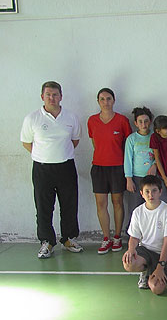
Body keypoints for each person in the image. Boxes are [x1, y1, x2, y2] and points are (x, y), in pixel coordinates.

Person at [20, 81, 82, 258]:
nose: (52, 98)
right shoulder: (32, 118)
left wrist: (59, 154)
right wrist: (44, 156)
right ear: (42, 97)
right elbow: (26, 142)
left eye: (55, 94)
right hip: (42, 169)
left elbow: (75, 140)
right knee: (43, 206)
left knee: (69, 204)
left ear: (61, 97)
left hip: (66, 167)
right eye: (48, 94)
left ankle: (68, 239)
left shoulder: (71, 117)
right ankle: (47, 242)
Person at [88, 88, 132, 254]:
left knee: (118, 202)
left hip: (117, 168)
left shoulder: (122, 120)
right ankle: (106, 237)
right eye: (102, 99)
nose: (105, 102)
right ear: (98, 101)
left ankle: (117, 237)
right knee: (101, 204)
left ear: (113, 100)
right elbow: (94, 143)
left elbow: (127, 146)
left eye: (108, 99)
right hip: (99, 168)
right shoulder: (92, 120)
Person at [122, 175, 167, 295]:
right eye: (147, 191)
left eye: (154, 191)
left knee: (157, 289)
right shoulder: (138, 212)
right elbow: (134, 236)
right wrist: (131, 249)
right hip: (146, 250)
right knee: (129, 263)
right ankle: (146, 271)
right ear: (141, 193)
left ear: (160, 192)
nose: (150, 195)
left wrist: (161, 266)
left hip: (165, 255)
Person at [124, 106, 156, 217]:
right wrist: (129, 179)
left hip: (152, 177)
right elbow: (127, 159)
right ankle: (134, 233)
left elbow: (160, 155)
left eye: (146, 121)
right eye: (140, 122)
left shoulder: (154, 137)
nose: (144, 124)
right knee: (135, 208)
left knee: (151, 207)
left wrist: (155, 165)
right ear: (136, 123)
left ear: (150, 122)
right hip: (136, 178)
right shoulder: (131, 139)